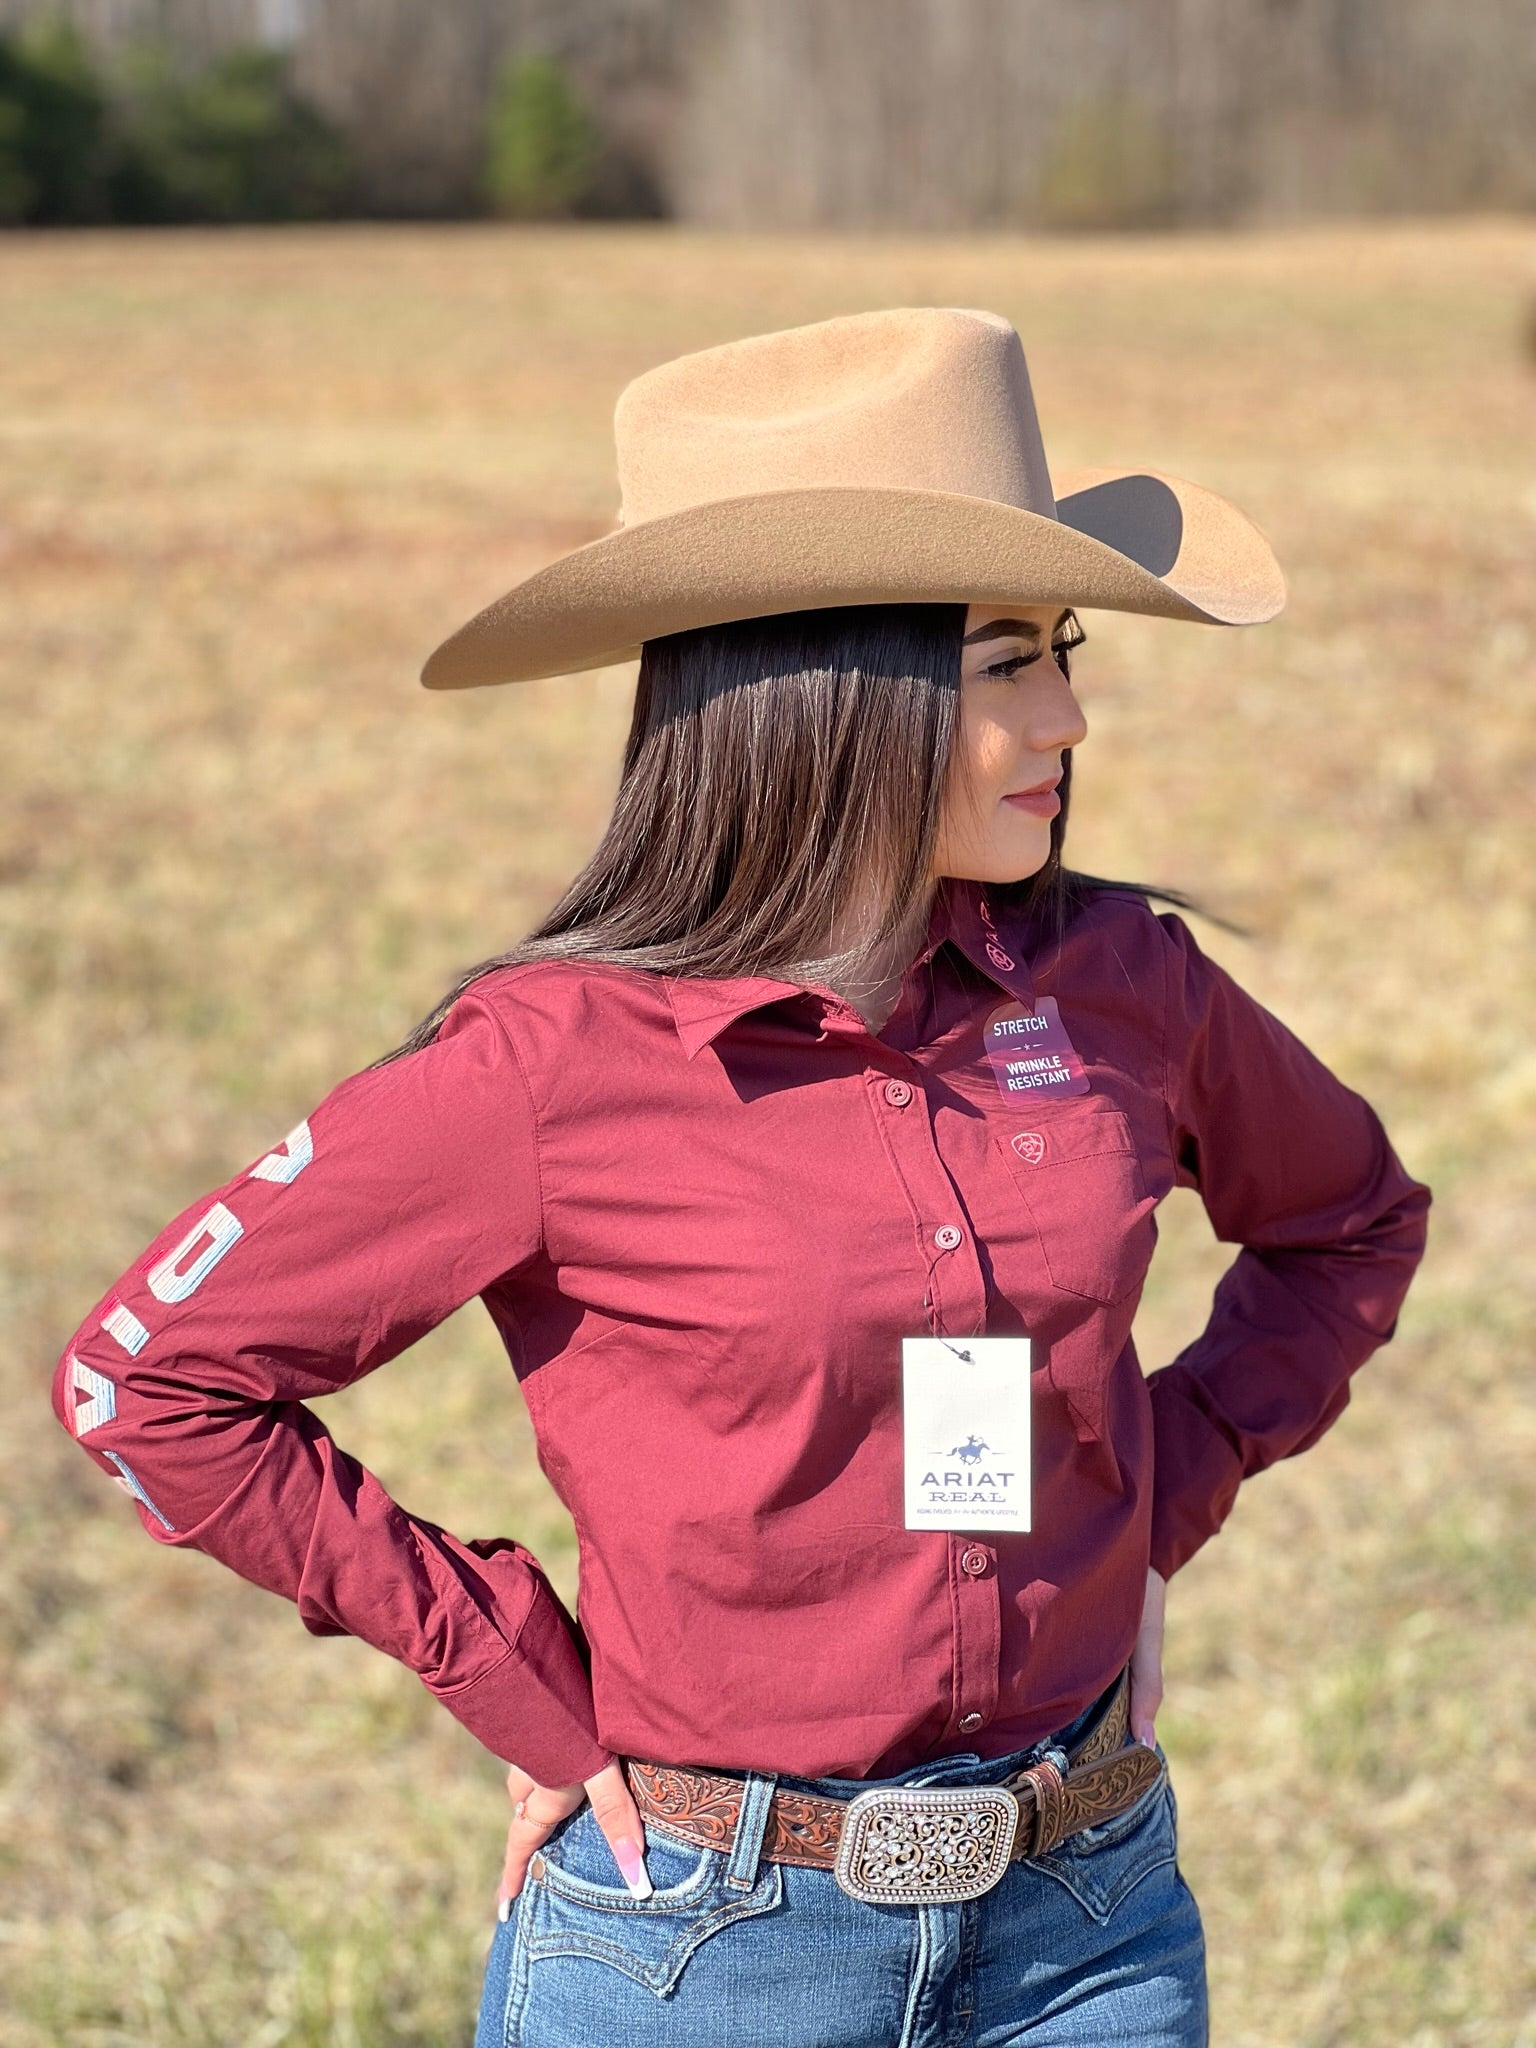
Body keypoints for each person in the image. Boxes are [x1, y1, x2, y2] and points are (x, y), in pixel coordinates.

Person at [51, 308, 1431, 2047]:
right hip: (708, 1956)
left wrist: (1164, 1493)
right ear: (824, 691)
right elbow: (144, 1377)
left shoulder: (1123, 984)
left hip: (1090, 1923)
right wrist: (518, 1676)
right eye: (1008, 662)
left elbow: (1353, 1222)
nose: (1072, 711)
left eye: (1060, 650)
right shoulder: (549, 1064)